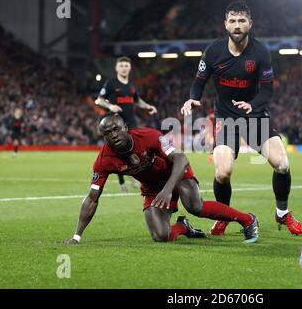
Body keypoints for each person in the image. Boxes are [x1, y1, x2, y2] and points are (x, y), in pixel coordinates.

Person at [180, 1, 302, 236]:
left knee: (282, 164)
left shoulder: (260, 53)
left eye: (242, 21)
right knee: (222, 172)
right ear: (225, 24)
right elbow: (198, 82)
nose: (237, 25)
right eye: (233, 21)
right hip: (226, 118)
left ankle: (282, 214)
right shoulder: (213, 52)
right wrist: (193, 98)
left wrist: (253, 104)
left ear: (250, 24)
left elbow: (267, 90)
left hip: (255, 116)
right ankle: (225, 215)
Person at [64, 114, 259, 244]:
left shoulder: (149, 136)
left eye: (116, 129)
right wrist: (77, 236)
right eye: (107, 133)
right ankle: (183, 227)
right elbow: (92, 198)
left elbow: (181, 158)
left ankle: (248, 220)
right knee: (160, 236)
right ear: (103, 137)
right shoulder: (104, 160)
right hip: (152, 187)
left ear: (125, 127)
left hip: (176, 172)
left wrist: (167, 189)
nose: (113, 135)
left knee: (195, 206)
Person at [95, 56, 157, 192]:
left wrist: (148, 107)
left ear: (130, 68)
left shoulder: (131, 85)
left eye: (126, 66)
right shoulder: (111, 83)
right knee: (119, 151)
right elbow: (99, 100)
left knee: (135, 149)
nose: (124, 68)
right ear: (116, 68)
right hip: (116, 124)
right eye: (121, 65)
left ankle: (134, 176)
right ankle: (123, 181)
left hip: (131, 122)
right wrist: (111, 106)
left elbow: (137, 100)